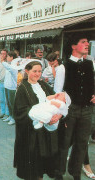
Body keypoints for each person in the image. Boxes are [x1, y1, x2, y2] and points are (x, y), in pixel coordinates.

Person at [55, 33, 95, 180]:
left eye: (87, 42)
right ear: (73, 46)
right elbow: (58, 93)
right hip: (70, 111)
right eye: (83, 41)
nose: (87, 44)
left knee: (82, 143)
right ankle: (59, 173)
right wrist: (60, 114)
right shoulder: (63, 67)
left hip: (87, 110)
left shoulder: (91, 64)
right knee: (64, 143)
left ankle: (75, 172)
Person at [13, 61, 60, 180]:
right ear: (27, 71)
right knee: (33, 166)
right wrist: (43, 115)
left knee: (41, 165)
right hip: (31, 134)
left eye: (39, 71)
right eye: (34, 71)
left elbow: (56, 99)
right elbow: (20, 112)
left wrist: (57, 115)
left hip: (46, 132)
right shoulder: (23, 88)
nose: (37, 74)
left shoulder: (43, 85)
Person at [2, 51, 18, 125]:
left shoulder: (14, 65)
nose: (7, 58)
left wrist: (2, 61)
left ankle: (13, 118)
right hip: (7, 86)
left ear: (12, 57)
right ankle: (10, 116)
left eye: (8, 56)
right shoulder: (10, 64)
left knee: (12, 103)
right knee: (8, 103)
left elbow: (10, 68)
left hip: (12, 88)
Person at [0, 49, 10, 120]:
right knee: (2, 99)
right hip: (0, 82)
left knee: (7, 99)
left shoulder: (8, 62)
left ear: (6, 54)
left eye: (4, 54)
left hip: (8, 83)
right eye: (1, 54)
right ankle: (2, 112)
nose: (3, 55)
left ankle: (7, 114)